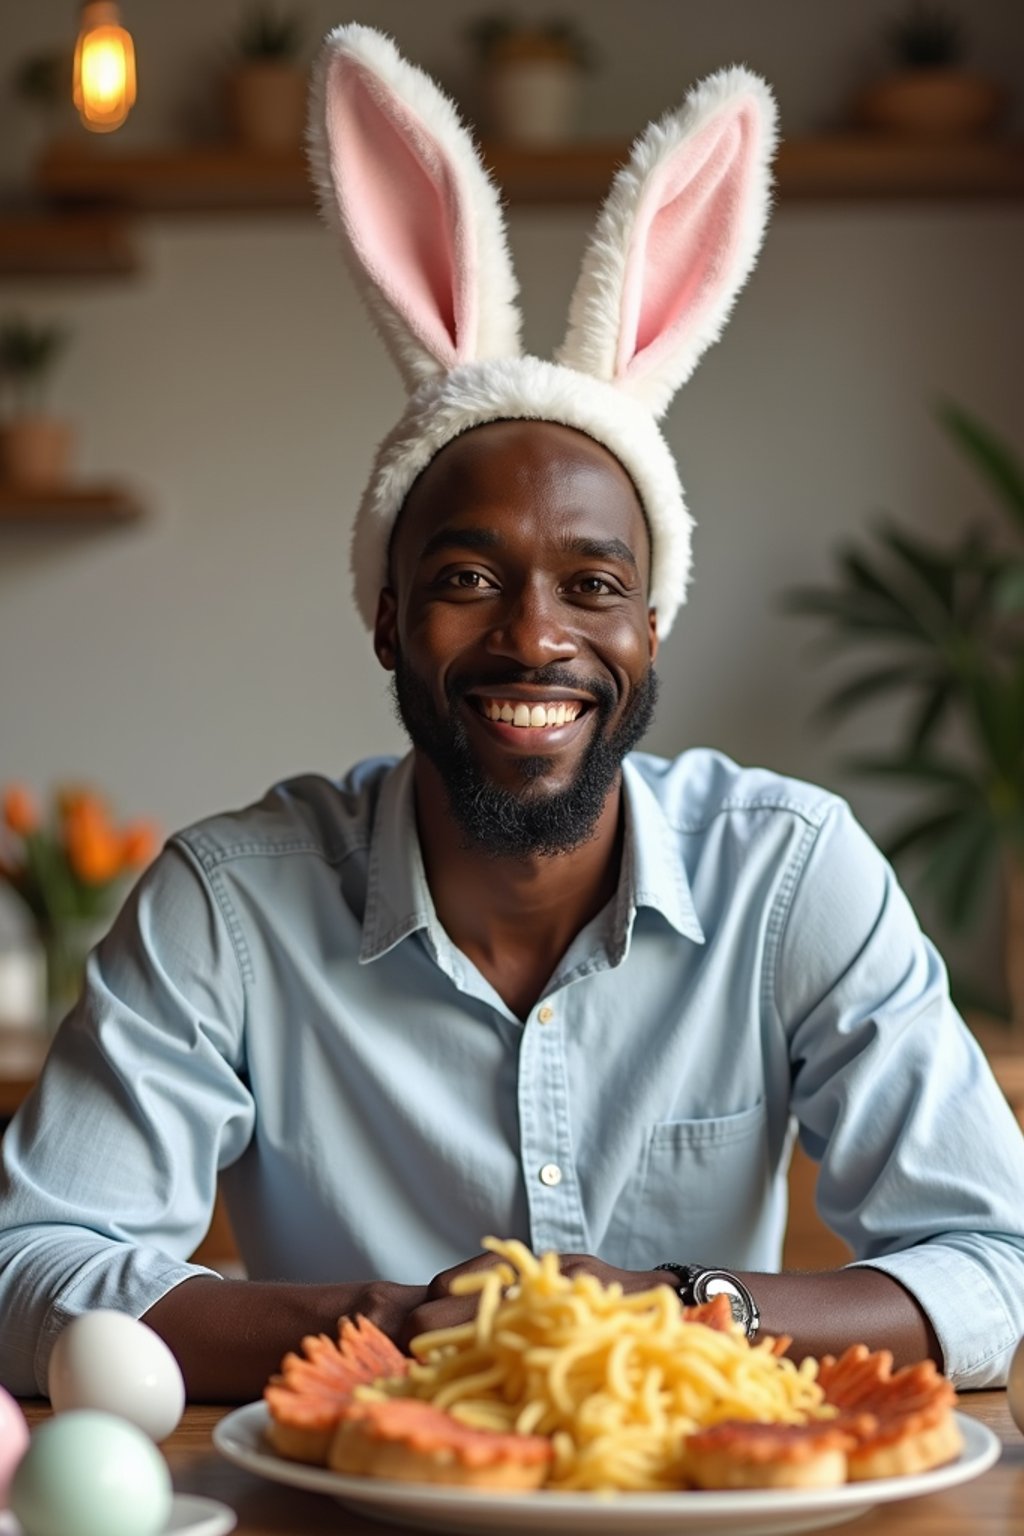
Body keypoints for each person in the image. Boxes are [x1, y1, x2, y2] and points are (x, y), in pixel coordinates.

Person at [2, 24, 1023, 1404]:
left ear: (650, 629)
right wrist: (385, 1322)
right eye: (467, 579)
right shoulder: (226, 909)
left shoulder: (793, 877)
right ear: (386, 616)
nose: (534, 636)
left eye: (592, 584)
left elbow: (994, 1262)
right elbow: (34, 1268)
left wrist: (681, 1310)